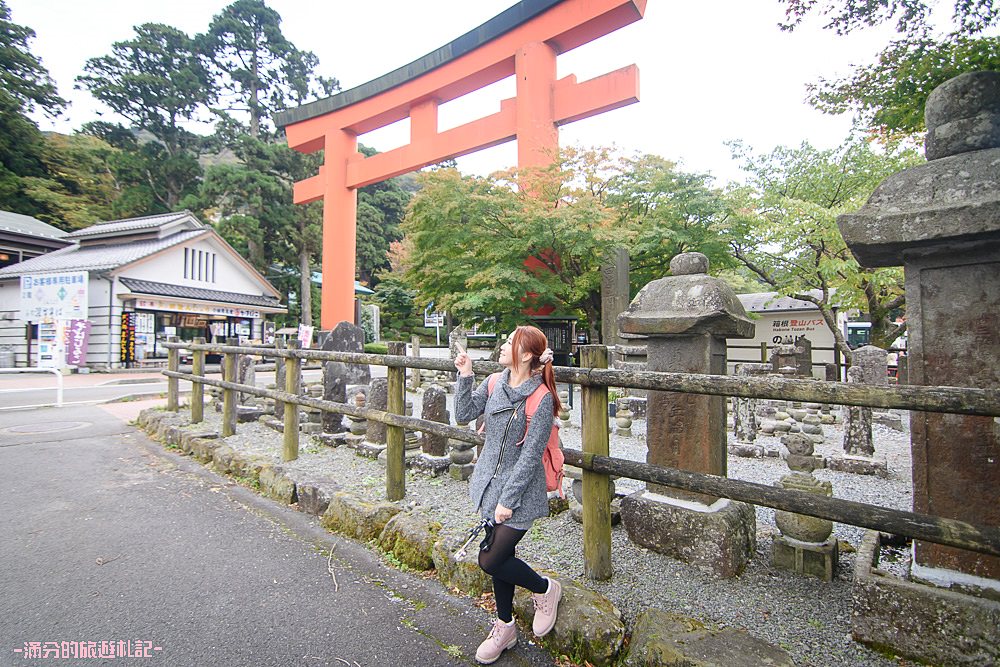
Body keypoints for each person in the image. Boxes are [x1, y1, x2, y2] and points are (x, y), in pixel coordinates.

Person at [454, 325, 563, 665]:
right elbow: (462, 415)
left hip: (520, 492)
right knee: (502, 557)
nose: (502, 347)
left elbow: (530, 456)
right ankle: (505, 626)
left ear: (527, 355)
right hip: (489, 484)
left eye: (509, 344)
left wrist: (508, 501)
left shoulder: (541, 397)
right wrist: (466, 375)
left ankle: (545, 590)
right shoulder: (494, 382)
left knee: (491, 558)